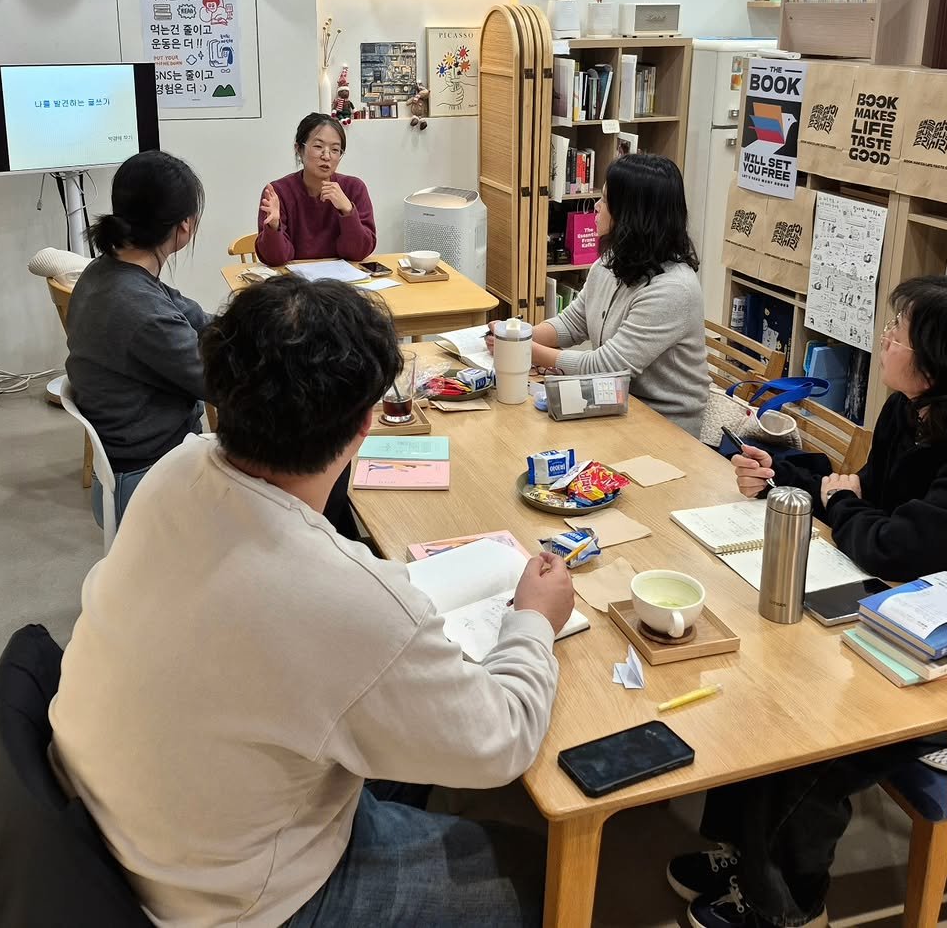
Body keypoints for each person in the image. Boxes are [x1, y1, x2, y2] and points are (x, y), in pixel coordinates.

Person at [49, 275, 574, 928]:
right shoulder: (343, 598)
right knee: (533, 869)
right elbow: (505, 737)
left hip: (109, 831)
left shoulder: (174, 472)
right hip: (230, 901)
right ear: (365, 423)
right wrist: (534, 618)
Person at [669, 275, 947, 928]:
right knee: (761, 675)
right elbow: (868, 490)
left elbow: (895, 541)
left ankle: (788, 903)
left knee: (817, 725)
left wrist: (842, 503)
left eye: (898, 334)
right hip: (909, 604)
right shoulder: (920, 407)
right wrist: (781, 471)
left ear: (938, 366)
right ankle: (745, 853)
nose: (885, 339)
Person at [492, 153, 706, 435]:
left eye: (605, 200)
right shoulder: (611, 262)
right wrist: (516, 334)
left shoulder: (674, 289)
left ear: (631, 214)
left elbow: (606, 367)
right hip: (615, 402)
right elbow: (573, 323)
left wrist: (521, 348)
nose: (596, 206)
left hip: (663, 424)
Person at [66, 150, 210, 526]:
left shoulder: (107, 271)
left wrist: (264, 325)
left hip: (133, 465)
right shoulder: (140, 309)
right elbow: (226, 384)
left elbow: (196, 317)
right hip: (149, 480)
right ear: (184, 226)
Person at [256, 113, 376, 265]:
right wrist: (274, 226)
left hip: (342, 283)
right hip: (295, 284)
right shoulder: (277, 192)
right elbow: (276, 259)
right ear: (299, 149)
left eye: (335, 150)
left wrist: (347, 211)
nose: (326, 156)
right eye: (318, 147)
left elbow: (358, 253)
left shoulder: (354, 188)